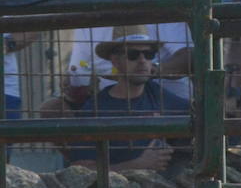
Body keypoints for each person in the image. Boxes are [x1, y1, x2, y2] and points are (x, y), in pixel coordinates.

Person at [54, 0, 194, 113]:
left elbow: (188, 57)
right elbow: (78, 71)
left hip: (163, 99)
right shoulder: (86, 18)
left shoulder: (158, 6)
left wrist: (149, 70)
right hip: (113, 101)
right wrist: (74, 87)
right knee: (53, 110)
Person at [67, 24, 190, 172]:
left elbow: (198, 119)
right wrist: (138, 165)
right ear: (115, 61)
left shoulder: (161, 97)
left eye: (149, 54)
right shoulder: (95, 110)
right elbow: (80, 171)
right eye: (133, 54)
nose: (142, 60)